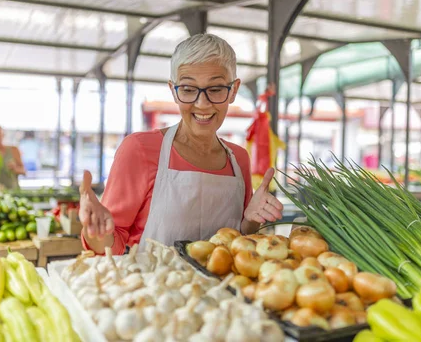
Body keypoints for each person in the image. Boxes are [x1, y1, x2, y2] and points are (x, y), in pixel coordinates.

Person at [80, 34, 284, 254]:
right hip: (153, 285)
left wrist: (251, 221)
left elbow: (237, 242)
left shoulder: (238, 159)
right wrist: (96, 230)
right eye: (188, 89)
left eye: (215, 89)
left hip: (222, 288)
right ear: (173, 91)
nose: (202, 104)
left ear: (233, 90)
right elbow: (111, 247)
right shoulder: (139, 149)